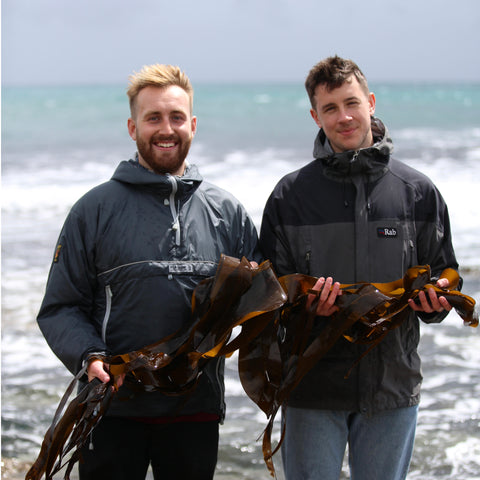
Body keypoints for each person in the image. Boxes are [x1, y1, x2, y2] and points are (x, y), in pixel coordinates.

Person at [37, 64, 261, 480]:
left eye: (176, 117)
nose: (166, 129)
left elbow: (264, 302)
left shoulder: (226, 212)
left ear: (192, 124)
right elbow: (60, 307)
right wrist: (89, 356)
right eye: (153, 117)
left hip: (195, 408)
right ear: (132, 126)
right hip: (113, 406)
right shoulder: (95, 210)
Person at [259, 55, 459, 480]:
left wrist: (432, 303)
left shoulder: (418, 193)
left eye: (351, 103)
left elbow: (446, 277)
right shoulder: (289, 196)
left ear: (370, 102)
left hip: (392, 386)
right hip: (311, 387)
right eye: (330, 108)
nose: (344, 117)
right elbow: (269, 297)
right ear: (315, 115)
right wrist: (307, 307)